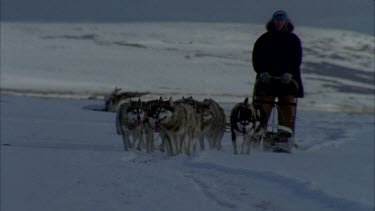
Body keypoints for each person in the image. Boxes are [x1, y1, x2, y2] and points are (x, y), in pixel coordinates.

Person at [251, 10, 304, 138]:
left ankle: (285, 136)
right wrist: (262, 72)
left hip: (287, 82)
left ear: (286, 22)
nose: (279, 23)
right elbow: (256, 58)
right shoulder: (264, 39)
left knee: (287, 108)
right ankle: (259, 135)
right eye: (277, 21)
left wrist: (290, 73)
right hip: (266, 81)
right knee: (262, 109)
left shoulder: (293, 40)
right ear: (273, 22)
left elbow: (296, 59)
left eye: (281, 21)